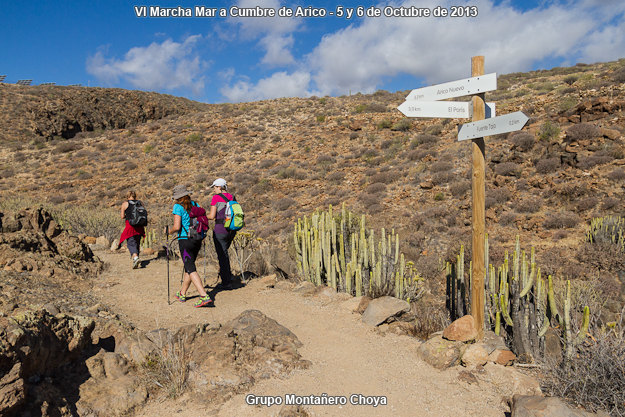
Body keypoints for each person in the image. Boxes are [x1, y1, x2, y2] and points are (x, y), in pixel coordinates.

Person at [166, 184, 212, 307]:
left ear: (177, 197)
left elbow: (177, 227)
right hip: (197, 239)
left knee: (190, 268)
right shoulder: (196, 205)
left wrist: (168, 231)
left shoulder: (178, 207)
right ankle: (182, 293)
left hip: (185, 240)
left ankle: (203, 295)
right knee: (189, 266)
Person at [207, 178, 237, 290]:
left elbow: (212, 216)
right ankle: (228, 277)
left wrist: (200, 215)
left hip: (220, 230)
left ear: (219, 187)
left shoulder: (216, 198)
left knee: (222, 256)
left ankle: (226, 283)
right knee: (225, 253)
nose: (214, 190)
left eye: (214, 187)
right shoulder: (232, 197)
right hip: (231, 230)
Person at [119, 191, 145, 269]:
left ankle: (135, 258)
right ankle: (136, 258)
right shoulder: (140, 203)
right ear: (135, 196)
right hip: (139, 226)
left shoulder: (125, 204)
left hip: (130, 226)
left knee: (131, 242)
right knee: (137, 242)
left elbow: (122, 216)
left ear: (127, 196)